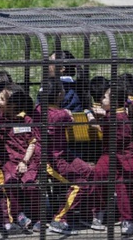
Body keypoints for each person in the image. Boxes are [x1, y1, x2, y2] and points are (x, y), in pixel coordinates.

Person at [41, 78, 96, 235]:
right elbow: (69, 119)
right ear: (59, 95)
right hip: (51, 160)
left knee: (89, 172)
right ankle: (59, 219)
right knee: (80, 184)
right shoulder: (61, 114)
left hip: (65, 154)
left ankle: (85, 215)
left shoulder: (39, 109)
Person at [90, 76, 133, 236]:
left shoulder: (114, 117)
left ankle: (127, 219)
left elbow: (98, 127)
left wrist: (91, 116)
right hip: (112, 156)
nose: (101, 99)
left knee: (120, 183)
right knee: (99, 173)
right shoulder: (118, 113)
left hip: (123, 158)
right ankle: (100, 211)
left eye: (105, 97)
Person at [0, 82, 41, 233]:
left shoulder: (25, 120)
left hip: (27, 161)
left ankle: (37, 217)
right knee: (9, 182)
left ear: (13, 105)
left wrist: (25, 162)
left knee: (30, 184)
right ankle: (17, 215)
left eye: (2, 99)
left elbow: (32, 143)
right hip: (9, 162)